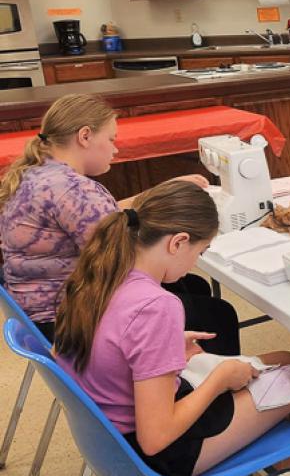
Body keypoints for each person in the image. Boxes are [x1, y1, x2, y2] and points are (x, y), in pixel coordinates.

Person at [53, 180, 290, 476]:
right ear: (178, 242)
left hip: (116, 430)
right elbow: (155, 438)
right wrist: (218, 380)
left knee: (286, 361)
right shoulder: (157, 305)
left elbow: (108, 344)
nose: (196, 264)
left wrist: (162, 351)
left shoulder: (96, 276)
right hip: (163, 451)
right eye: (199, 253)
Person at [0, 94, 239, 355]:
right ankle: (208, 387)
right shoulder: (74, 190)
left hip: (37, 312)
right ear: (85, 136)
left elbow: (105, 215)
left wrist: (156, 193)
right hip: (67, 321)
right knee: (218, 314)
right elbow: (129, 255)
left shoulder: (37, 173)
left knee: (194, 286)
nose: (115, 149)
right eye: (111, 139)